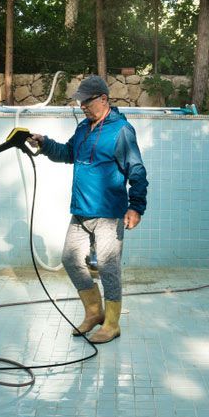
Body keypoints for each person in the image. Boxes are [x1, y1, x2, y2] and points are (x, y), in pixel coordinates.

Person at [26, 75, 148, 344]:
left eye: (86, 101)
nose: (81, 106)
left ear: (103, 99)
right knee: (70, 260)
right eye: (79, 101)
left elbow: (136, 170)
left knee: (108, 267)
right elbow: (67, 153)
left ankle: (112, 323)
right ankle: (94, 312)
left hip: (108, 213)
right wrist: (44, 143)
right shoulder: (83, 129)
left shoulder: (121, 131)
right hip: (80, 210)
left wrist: (136, 206)